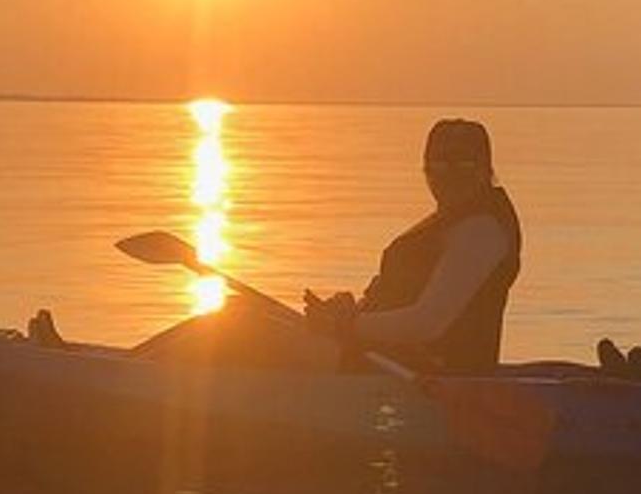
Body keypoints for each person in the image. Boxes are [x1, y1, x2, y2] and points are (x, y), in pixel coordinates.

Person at [121, 117, 523, 374]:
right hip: (378, 353)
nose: (448, 175)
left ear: (485, 170)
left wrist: (345, 326)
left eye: (462, 164)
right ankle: (129, 366)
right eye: (437, 165)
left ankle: (130, 378)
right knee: (237, 310)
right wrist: (351, 311)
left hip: (412, 371)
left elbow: (428, 324)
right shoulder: (455, 220)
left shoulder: (481, 231)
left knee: (242, 328)